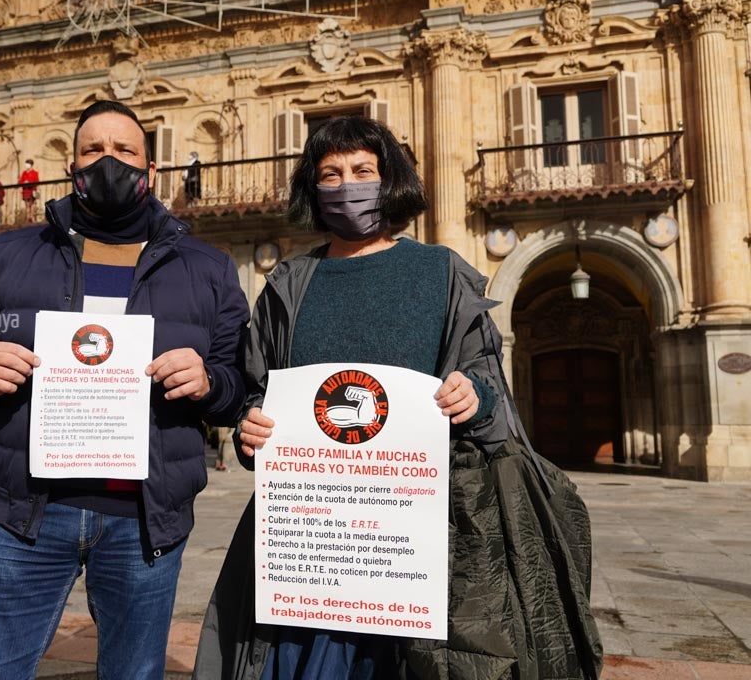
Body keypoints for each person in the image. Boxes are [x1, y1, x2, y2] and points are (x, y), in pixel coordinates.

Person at [193, 116, 603, 680]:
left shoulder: (441, 273)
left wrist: (474, 396)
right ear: (313, 190)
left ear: (390, 181)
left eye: (363, 171)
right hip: (312, 536)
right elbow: (256, 391)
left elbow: (493, 397)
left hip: (414, 538)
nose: (346, 185)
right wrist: (249, 429)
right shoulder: (288, 284)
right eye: (330, 175)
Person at [0, 99, 250, 679]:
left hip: (146, 516)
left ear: (151, 171)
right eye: (91, 150)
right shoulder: (9, 255)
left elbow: (238, 385)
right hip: (29, 511)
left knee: (133, 673)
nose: (108, 161)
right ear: (71, 165)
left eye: (124, 151)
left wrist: (207, 382)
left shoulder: (208, 267)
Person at [19, 158, 41, 222]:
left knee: (32, 205)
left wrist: (29, 182)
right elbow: (20, 181)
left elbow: (37, 181)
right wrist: (24, 182)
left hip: (32, 191)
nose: (26, 166)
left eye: (27, 164)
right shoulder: (24, 173)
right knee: (27, 205)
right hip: (25, 191)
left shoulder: (35, 172)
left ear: (31, 165)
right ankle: (28, 218)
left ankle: (32, 218)